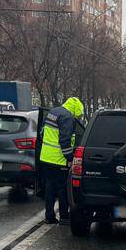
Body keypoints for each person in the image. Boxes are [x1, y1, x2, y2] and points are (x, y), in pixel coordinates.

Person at [38, 96, 85, 224]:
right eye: (78, 114)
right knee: (62, 189)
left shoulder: (52, 112)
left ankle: (49, 216)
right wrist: (70, 158)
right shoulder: (68, 118)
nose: (78, 117)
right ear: (75, 109)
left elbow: (42, 133)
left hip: (46, 158)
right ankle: (64, 217)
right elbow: (64, 140)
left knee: (49, 188)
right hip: (59, 160)